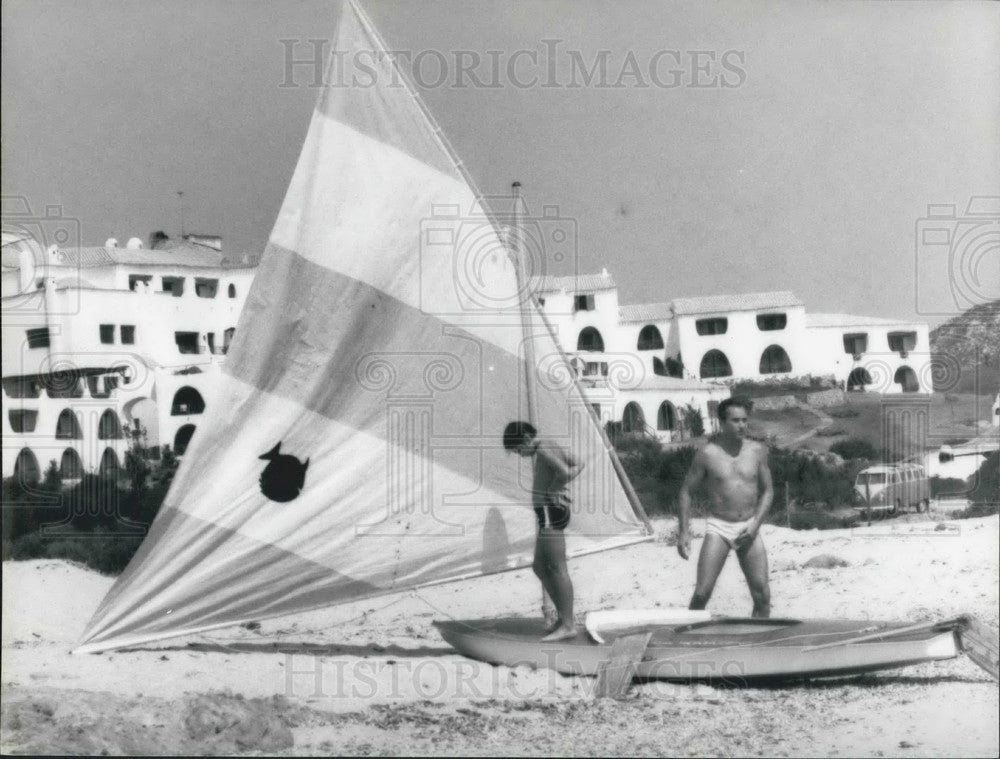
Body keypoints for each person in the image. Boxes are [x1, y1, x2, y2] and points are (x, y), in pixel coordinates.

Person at [677, 398, 773, 617]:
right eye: (735, 421)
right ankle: (688, 630)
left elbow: (768, 491)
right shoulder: (707, 454)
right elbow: (686, 492)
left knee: (762, 595)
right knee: (702, 593)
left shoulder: (757, 451)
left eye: (744, 420)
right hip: (719, 527)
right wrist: (683, 532)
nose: (742, 425)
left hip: (749, 525)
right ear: (721, 422)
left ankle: (757, 637)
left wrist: (755, 525)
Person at [503, 421, 584, 642]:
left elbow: (565, 472)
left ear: (526, 439)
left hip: (550, 511)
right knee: (539, 566)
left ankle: (568, 625)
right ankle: (564, 618)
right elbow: (579, 463)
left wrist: (553, 490)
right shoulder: (549, 444)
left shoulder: (542, 449)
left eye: (518, 450)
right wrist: (557, 486)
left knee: (557, 567)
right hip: (548, 512)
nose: (520, 455)